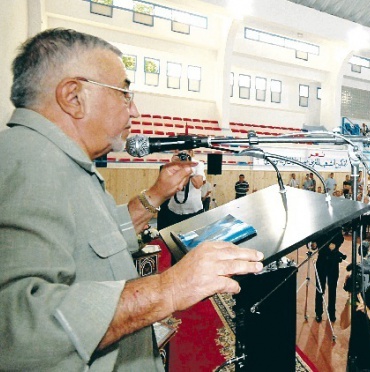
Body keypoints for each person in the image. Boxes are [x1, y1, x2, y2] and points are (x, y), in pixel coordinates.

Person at [0, 29, 264, 370]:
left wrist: (155, 195)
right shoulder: (27, 161)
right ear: (73, 96)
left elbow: (95, 243)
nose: (135, 110)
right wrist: (167, 289)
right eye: (125, 94)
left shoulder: (57, 163)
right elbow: (16, 327)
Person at [163, 150, 206, 227]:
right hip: (174, 209)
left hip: (193, 210)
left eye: (184, 153)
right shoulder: (172, 165)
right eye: (179, 152)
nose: (182, 156)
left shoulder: (198, 164)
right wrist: (173, 164)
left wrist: (188, 169)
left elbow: (198, 184)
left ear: (190, 153)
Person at [314, 229, 345, 323]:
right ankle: (318, 312)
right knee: (320, 288)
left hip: (333, 261)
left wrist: (336, 245)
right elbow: (313, 240)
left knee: (332, 289)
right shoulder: (319, 226)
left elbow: (341, 238)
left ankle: (331, 313)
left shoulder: (337, 226)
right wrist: (313, 244)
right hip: (321, 260)